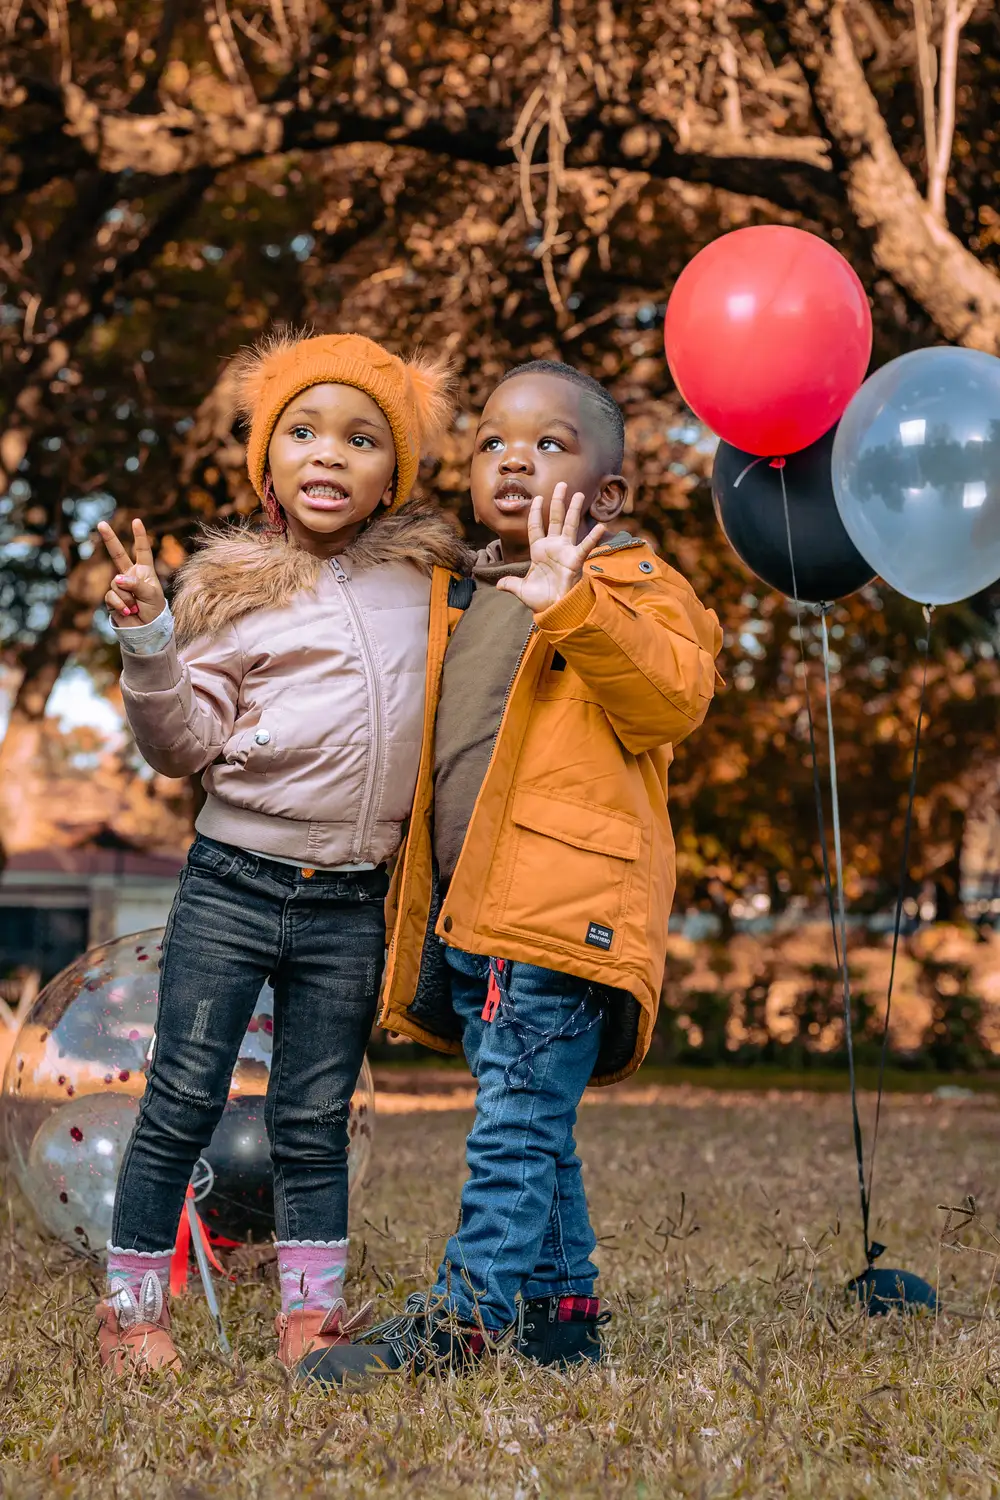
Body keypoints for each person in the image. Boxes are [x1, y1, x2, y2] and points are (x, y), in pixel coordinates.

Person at [301, 359, 723, 1386]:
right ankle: (561, 1308)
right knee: (528, 1109)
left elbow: (671, 700)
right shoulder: (472, 597)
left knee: (513, 1127)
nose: (512, 461)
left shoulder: (638, 589)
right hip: (480, 907)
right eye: (493, 441)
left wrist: (573, 601)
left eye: (547, 445)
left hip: (564, 907)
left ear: (610, 496)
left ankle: (469, 1314)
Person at [93, 330, 467, 1375]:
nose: (327, 455)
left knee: (314, 1113)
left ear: (394, 469)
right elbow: (181, 748)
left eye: (359, 438)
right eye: (301, 432)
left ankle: (311, 1316)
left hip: (352, 899)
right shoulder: (230, 592)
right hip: (234, 882)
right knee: (184, 1095)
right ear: (267, 461)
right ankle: (131, 1312)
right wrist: (151, 642)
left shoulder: (430, 588)